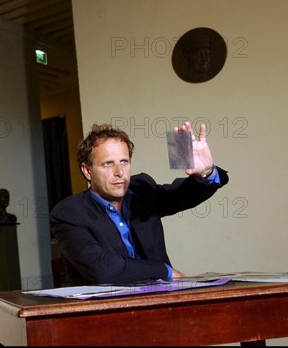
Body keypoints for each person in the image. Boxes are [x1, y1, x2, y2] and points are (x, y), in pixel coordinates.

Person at [50, 121, 229, 285]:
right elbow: (101, 268)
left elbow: (182, 195)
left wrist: (205, 172)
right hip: (106, 313)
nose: (119, 172)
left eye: (124, 162)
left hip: (162, 303)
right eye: (107, 164)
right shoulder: (69, 212)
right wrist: (165, 271)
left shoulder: (142, 188)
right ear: (87, 171)